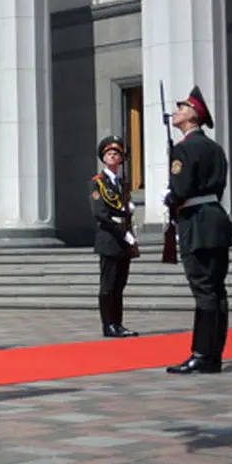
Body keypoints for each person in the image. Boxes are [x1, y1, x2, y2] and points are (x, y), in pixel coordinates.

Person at [163, 85, 232, 374]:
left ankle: (202, 354)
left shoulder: (183, 148)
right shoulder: (216, 149)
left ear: (193, 115)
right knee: (217, 290)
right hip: (216, 219)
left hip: (197, 222)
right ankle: (214, 353)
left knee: (204, 290)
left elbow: (181, 189)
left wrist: (169, 198)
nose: (176, 112)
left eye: (181, 108)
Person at [90, 135, 140, 338]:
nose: (113, 156)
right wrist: (124, 232)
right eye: (109, 153)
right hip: (110, 239)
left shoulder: (121, 183)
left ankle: (118, 324)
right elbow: (100, 213)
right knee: (108, 285)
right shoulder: (97, 183)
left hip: (123, 240)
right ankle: (107, 325)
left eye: (117, 154)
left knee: (120, 285)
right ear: (103, 158)